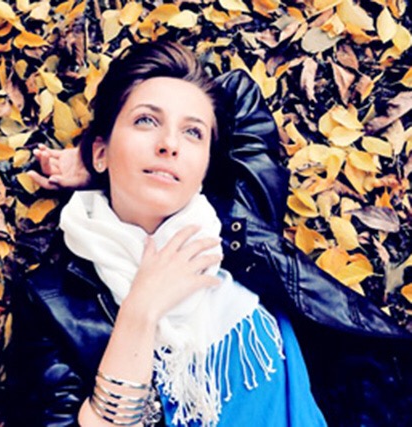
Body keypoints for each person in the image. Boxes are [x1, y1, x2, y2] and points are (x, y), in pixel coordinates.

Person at [25, 43, 412, 426]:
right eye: (145, 121)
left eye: (192, 132)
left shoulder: (240, 221)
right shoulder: (55, 301)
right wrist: (140, 312)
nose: (169, 144)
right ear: (101, 151)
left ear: (207, 165)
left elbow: (239, 93)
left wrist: (96, 164)